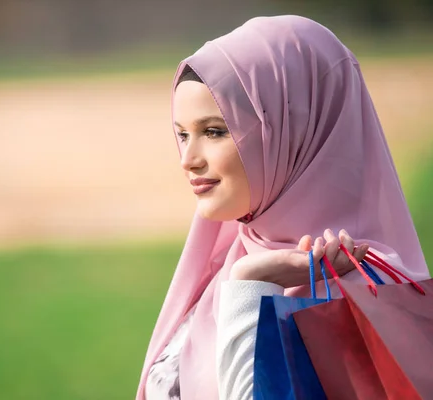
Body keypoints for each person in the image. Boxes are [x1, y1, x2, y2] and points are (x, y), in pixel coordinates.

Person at [136, 15, 430, 400]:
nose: (187, 159)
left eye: (214, 131)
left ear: (295, 127)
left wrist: (247, 286)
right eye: (182, 135)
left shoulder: (365, 302)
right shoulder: (216, 268)